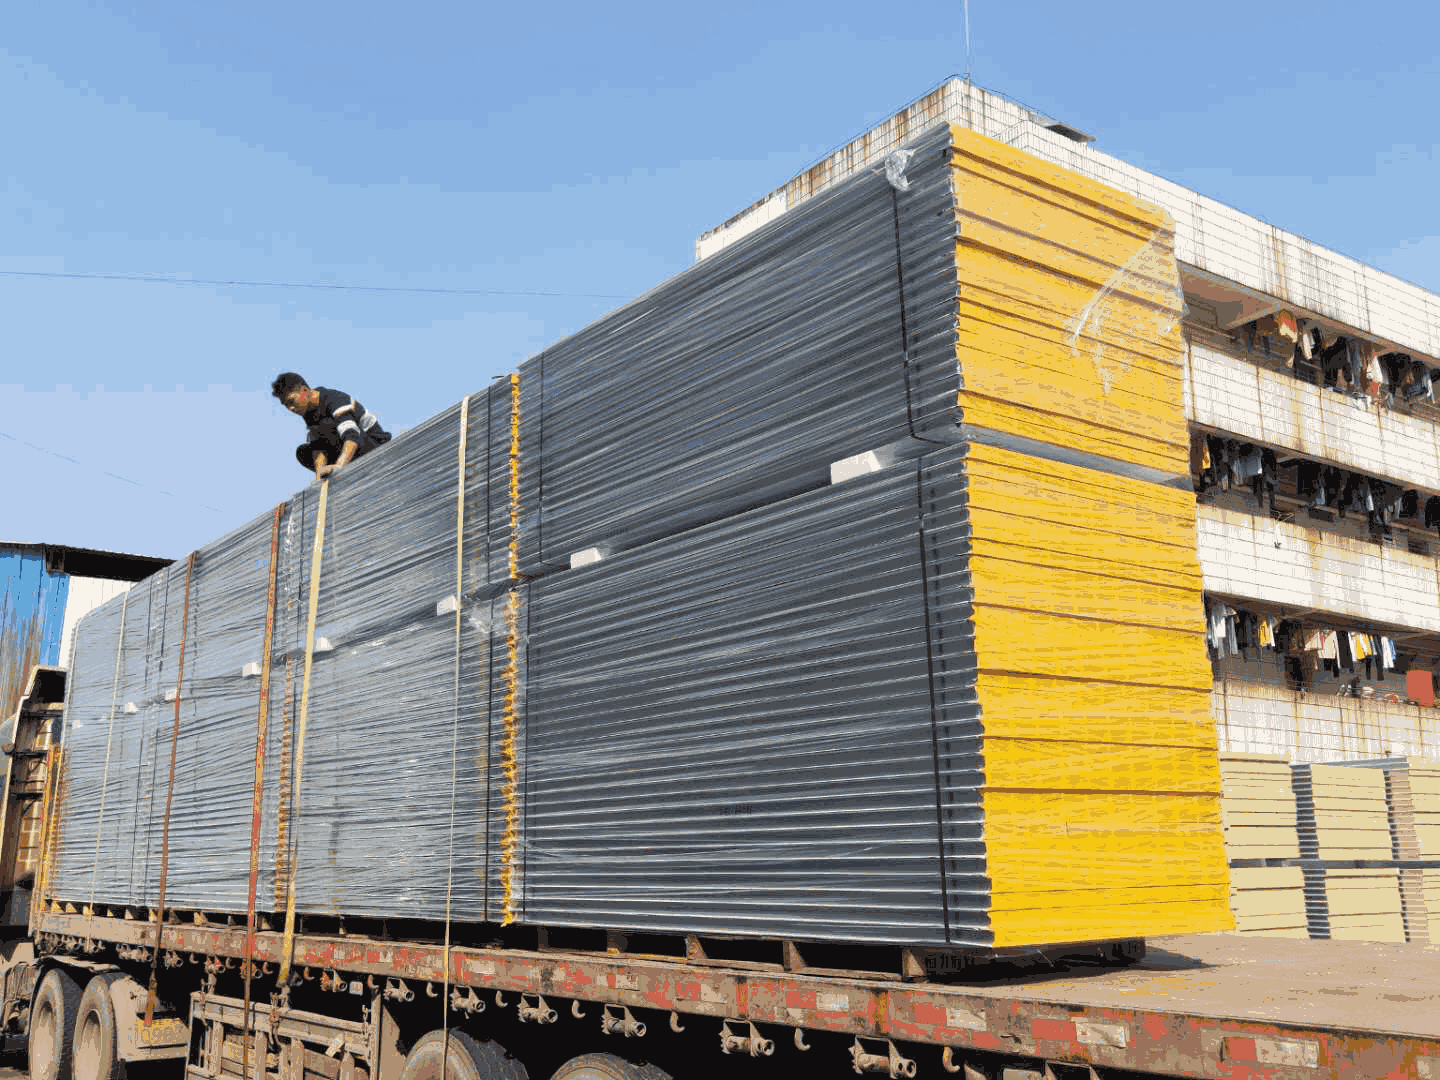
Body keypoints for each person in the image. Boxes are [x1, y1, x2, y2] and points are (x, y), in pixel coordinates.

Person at [271, 372, 391, 479]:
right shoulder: (307, 411)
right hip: (347, 446)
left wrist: (339, 467)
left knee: (328, 427)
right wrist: (320, 473)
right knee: (303, 452)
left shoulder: (334, 399)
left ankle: (341, 467)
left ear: (305, 391)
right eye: (286, 405)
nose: (290, 408)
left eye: (291, 402)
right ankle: (332, 475)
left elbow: (351, 436)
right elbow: (318, 446)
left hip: (373, 444)